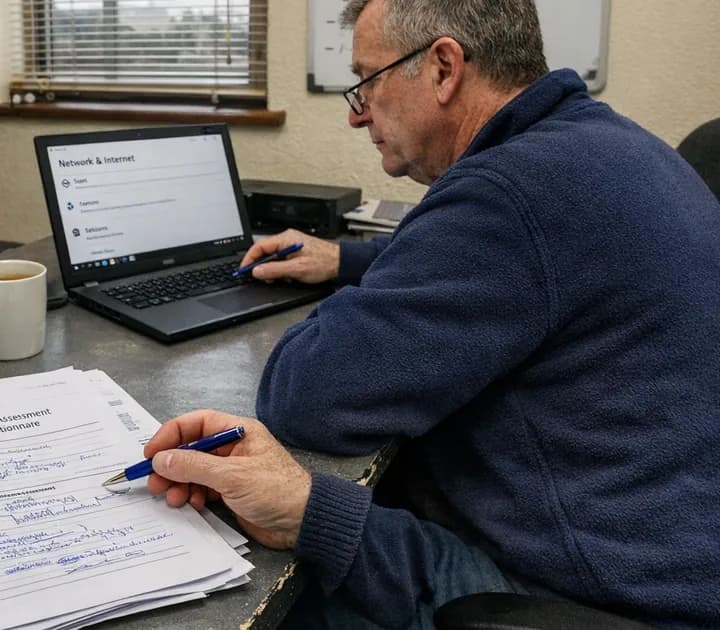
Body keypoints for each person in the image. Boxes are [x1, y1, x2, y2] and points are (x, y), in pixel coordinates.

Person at [142, 0, 720, 628]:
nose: (358, 115)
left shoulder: (507, 196)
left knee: (261, 600)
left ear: (444, 67)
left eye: (367, 81)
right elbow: (514, 257)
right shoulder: (603, 145)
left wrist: (373, 290)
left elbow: (306, 394)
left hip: (587, 596)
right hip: (670, 545)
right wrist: (347, 259)